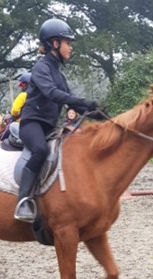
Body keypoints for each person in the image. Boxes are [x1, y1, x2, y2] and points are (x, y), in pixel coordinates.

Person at [14, 18, 105, 222]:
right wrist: (84, 101)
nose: (70, 48)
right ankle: (24, 200)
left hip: (49, 126)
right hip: (32, 124)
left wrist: (98, 113)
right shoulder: (41, 67)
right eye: (68, 43)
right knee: (39, 150)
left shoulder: (58, 73)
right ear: (55, 43)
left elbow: (72, 103)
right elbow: (52, 93)